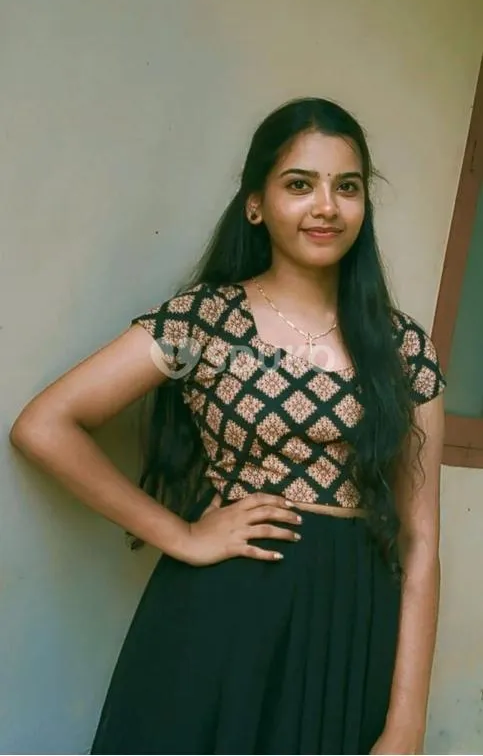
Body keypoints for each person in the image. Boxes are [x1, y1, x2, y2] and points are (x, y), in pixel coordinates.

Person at [10, 97, 446, 755]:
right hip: (217, 621)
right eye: (299, 184)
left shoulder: (402, 347)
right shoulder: (203, 326)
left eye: (347, 187)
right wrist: (181, 534)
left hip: (345, 632)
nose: (326, 206)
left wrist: (406, 722)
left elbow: (420, 540)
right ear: (255, 204)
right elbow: (45, 426)